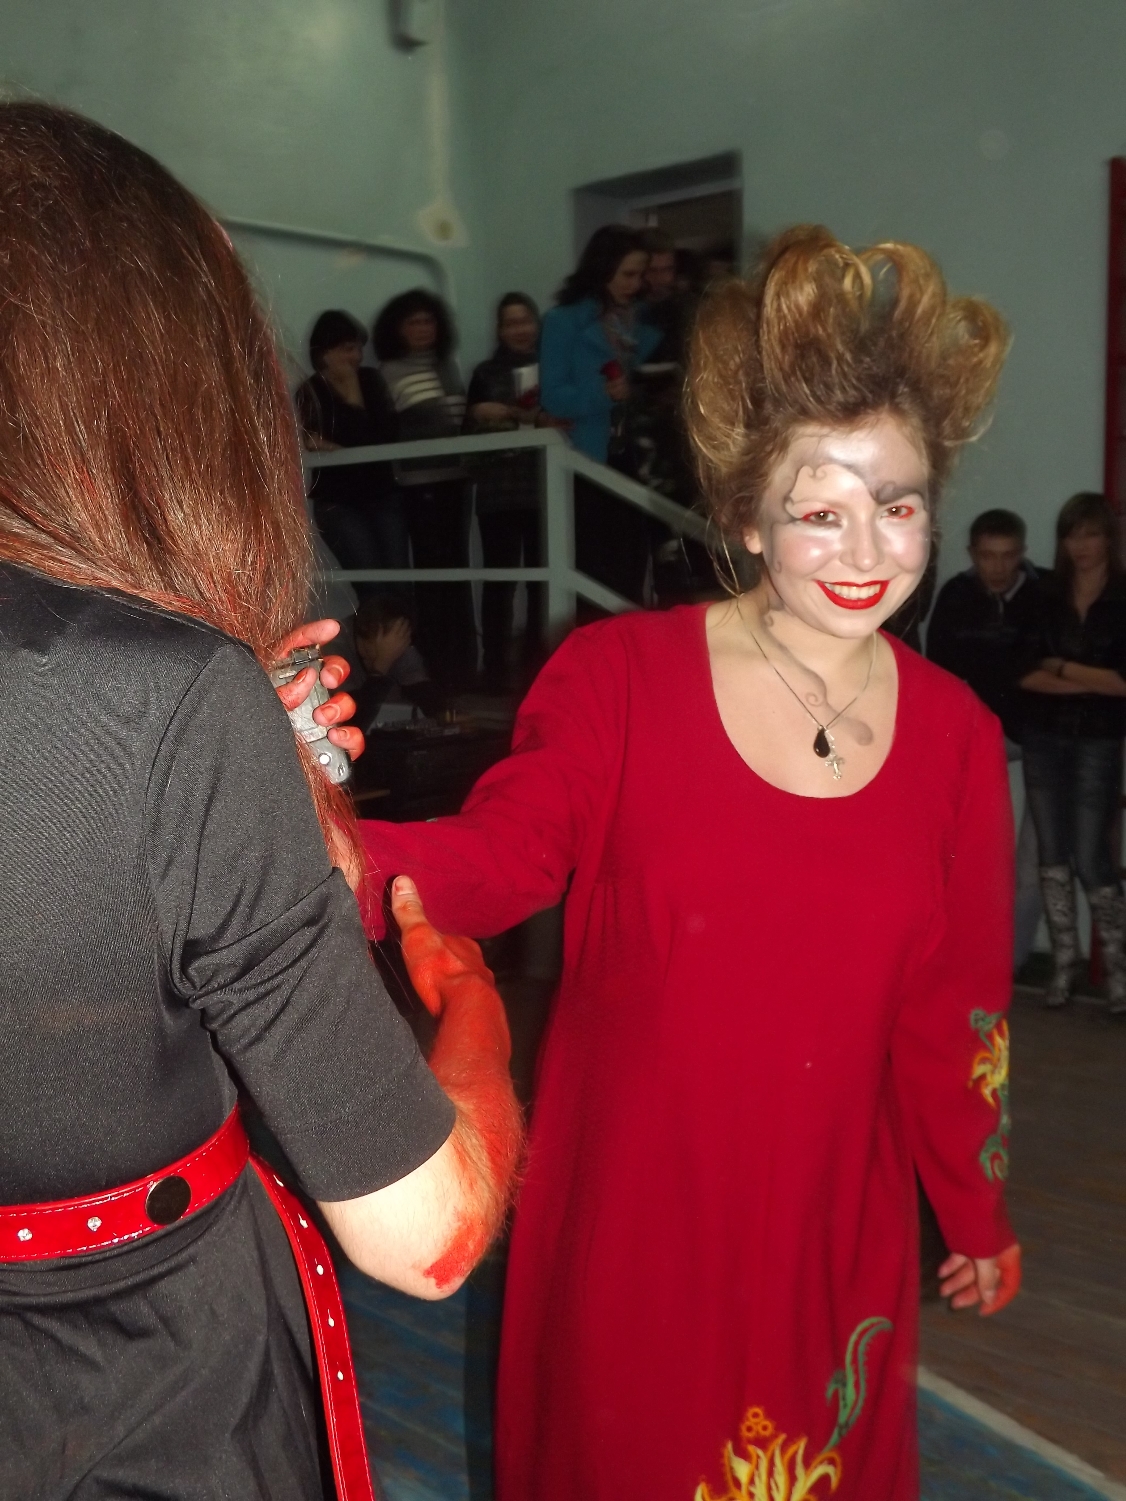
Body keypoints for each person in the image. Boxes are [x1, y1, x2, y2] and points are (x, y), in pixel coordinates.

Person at [351, 227, 1021, 1499]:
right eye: (819, 513)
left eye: (897, 505)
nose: (867, 551)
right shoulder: (622, 677)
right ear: (745, 520)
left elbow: (957, 1009)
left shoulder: (957, 739)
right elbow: (506, 853)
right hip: (639, 1211)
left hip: (834, 1221)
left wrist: (975, 1211)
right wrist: (340, 852)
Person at [0, 103, 521, 1499]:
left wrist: (279, 802)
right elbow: (430, 1235)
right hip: (148, 1400)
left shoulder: (182, 696)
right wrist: (472, 1011)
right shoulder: (166, 691)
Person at [1016, 491, 1126, 1011]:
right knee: (1051, 856)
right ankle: (1065, 965)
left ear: (1108, 538)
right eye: (1071, 535)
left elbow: (1123, 684)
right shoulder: (1045, 594)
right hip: (1044, 735)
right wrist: (1094, 681)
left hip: (1100, 740)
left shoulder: (1122, 596)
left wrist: (1061, 667)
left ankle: (1119, 973)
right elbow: (1024, 673)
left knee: (1091, 855)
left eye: (1090, 534)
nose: (1080, 546)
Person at [927, 509, 1043, 968]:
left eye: (1008, 556)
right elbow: (940, 675)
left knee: (1034, 859)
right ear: (972, 554)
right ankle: (959, 956)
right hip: (972, 737)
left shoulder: (1043, 592)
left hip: (1036, 735)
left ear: (1023, 554)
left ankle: (1010, 965)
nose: (998, 566)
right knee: (967, 853)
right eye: (988, 556)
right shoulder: (956, 595)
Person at [540, 225, 661, 603]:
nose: (635, 284)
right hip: (588, 456)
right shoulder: (563, 321)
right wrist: (603, 393)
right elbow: (553, 396)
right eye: (627, 274)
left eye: (640, 274)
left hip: (636, 452)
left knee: (634, 561)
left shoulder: (642, 321)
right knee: (596, 563)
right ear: (602, 269)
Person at [374, 288, 475, 689]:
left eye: (428, 320)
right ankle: (439, 665)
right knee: (433, 574)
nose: (422, 328)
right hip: (419, 484)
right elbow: (390, 428)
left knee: (458, 569)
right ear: (397, 329)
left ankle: (465, 665)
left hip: (456, 479)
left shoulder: (447, 366)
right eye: (413, 322)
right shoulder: (389, 371)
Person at [465, 292, 549, 691]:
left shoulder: (554, 366)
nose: (520, 330)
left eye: (525, 321)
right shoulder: (486, 373)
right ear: (500, 330)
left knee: (542, 581)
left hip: (546, 489)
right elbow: (467, 433)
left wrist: (519, 414)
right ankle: (495, 667)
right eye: (511, 323)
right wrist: (482, 414)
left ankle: (538, 662)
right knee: (499, 582)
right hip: (498, 492)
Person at [295, 309, 407, 601]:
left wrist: (354, 394)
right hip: (339, 501)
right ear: (325, 352)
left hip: (382, 492)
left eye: (358, 348)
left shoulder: (370, 380)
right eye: (347, 349)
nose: (356, 356)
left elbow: (384, 435)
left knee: (400, 582)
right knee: (371, 587)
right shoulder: (310, 391)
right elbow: (313, 441)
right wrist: (343, 443)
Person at [352, 594, 444, 729]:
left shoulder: (404, 658)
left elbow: (433, 707)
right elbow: (356, 723)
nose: (397, 647)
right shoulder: (345, 665)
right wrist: (381, 665)